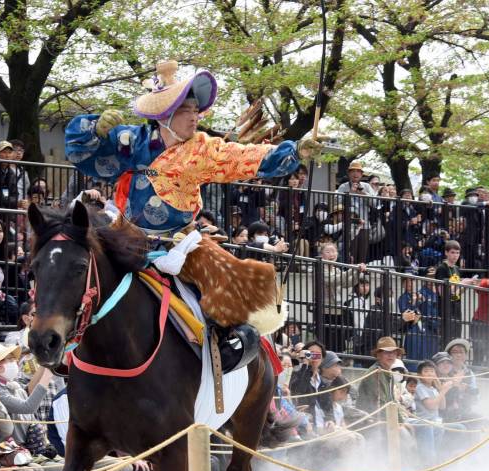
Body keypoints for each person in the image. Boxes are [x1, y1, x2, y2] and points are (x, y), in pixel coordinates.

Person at [65, 60, 320, 371]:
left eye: (196, 109)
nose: (195, 116)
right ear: (165, 115)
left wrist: (293, 152)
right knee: (75, 266)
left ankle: (231, 344)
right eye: (186, 110)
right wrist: (94, 129)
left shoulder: (201, 150)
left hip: (179, 242)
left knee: (229, 277)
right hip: (125, 234)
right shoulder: (130, 141)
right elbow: (83, 154)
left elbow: (241, 156)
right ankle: (63, 337)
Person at [434, 240, 479, 342]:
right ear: (446, 253)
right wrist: (463, 283)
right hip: (445, 308)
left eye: (457, 253)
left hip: (456, 307)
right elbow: (443, 292)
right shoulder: (442, 269)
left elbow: (457, 292)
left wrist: (468, 284)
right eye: (452, 252)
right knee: (447, 337)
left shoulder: (456, 269)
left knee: (456, 338)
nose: (455, 256)